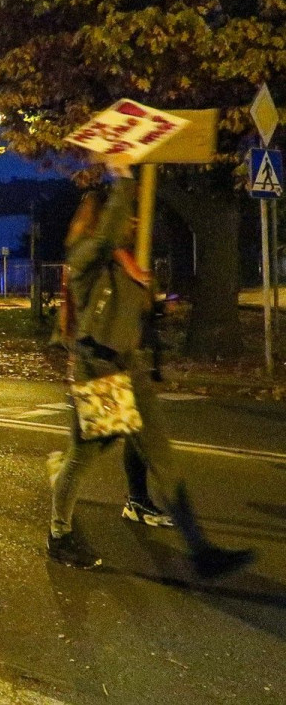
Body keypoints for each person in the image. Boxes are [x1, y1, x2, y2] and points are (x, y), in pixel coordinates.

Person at [48, 163, 255, 579]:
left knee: (162, 459)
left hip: (130, 370)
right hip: (100, 367)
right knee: (84, 457)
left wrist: (158, 305)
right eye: (129, 216)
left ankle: (202, 551)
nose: (136, 222)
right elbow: (106, 238)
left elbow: (135, 314)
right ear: (108, 216)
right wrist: (124, 178)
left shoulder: (128, 264)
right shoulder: (87, 253)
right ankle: (59, 533)